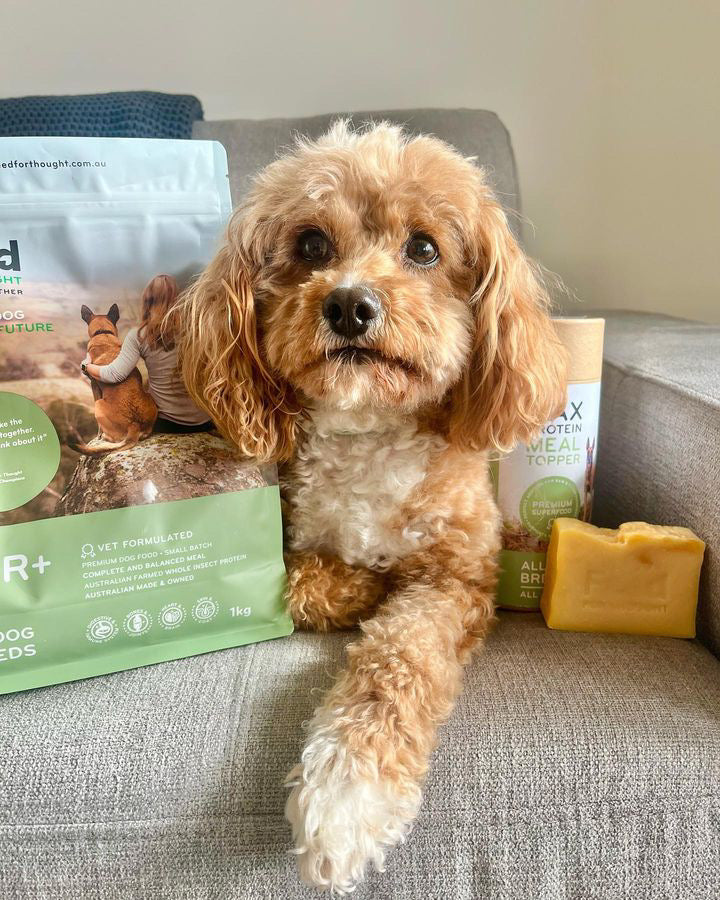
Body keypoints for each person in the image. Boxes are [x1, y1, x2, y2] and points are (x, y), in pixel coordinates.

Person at [82, 274, 212, 433]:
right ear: (178, 299)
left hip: (167, 423)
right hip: (205, 420)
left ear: (146, 301)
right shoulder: (197, 329)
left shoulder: (139, 335)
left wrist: (87, 366)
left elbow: (114, 374)